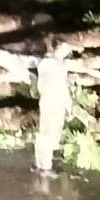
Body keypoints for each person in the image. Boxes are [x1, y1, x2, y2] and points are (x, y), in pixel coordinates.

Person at [32, 40, 74, 175]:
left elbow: (64, 86)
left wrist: (68, 104)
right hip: (50, 100)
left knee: (54, 131)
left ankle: (44, 163)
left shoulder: (62, 65)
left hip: (58, 101)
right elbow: (43, 83)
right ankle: (43, 164)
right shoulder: (48, 63)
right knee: (47, 131)